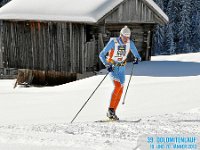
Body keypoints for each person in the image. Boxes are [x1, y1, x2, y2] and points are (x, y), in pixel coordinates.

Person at [99, 26, 141, 120]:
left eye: (128, 37)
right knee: (117, 86)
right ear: (121, 35)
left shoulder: (130, 43)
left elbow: (137, 55)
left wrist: (137, 59)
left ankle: (113, 113)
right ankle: (110, 110)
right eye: (125, 37)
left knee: (121, 90)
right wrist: (106, 64)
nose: (126, 39)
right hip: (113, 67)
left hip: (122, 69)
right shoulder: (113, 42)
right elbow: (101, 54)